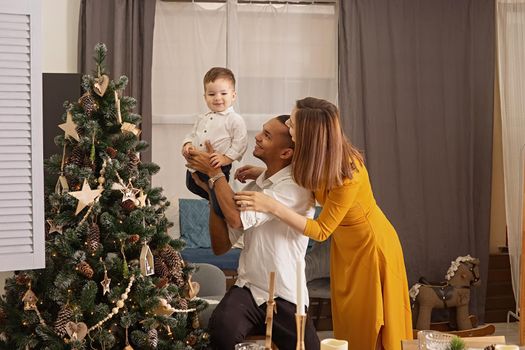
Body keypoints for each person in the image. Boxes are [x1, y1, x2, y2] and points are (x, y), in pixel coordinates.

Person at [234, 97, 413, 350]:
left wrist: (271, 205)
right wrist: (262, 173)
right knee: (350, 325)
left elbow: (321, 231)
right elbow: (305, 178)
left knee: (372, 325)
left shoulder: (348, 172)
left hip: (371, 250)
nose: (289, 125)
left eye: (293, 123)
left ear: (309, 134)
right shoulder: (315, 156)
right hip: (347, 250)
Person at [187, 115, 320, 350]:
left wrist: (216, 174)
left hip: (285, 293)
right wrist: (211, 194)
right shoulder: (256, 185)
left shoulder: (295, 188)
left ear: (286, 153)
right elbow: (221, 247)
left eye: (267, 135)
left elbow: (237, 219)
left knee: (309, 348)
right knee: (220, 335)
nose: (257, 137)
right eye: (262, 131)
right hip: (248, 289)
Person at [182, 67, 247, 217]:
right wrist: (187, 144)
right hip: (195, 165)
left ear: (233, 95)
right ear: (205, 97)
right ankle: (212, 199)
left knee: (218, 201)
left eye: (223, 93)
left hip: (217, 165)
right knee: (191, 184)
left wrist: (225, 159)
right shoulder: (202, 117)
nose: (217, 98)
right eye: (211, 94)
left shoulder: (234, 120)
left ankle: (220, 207)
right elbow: (192, 134)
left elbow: (240, 143)